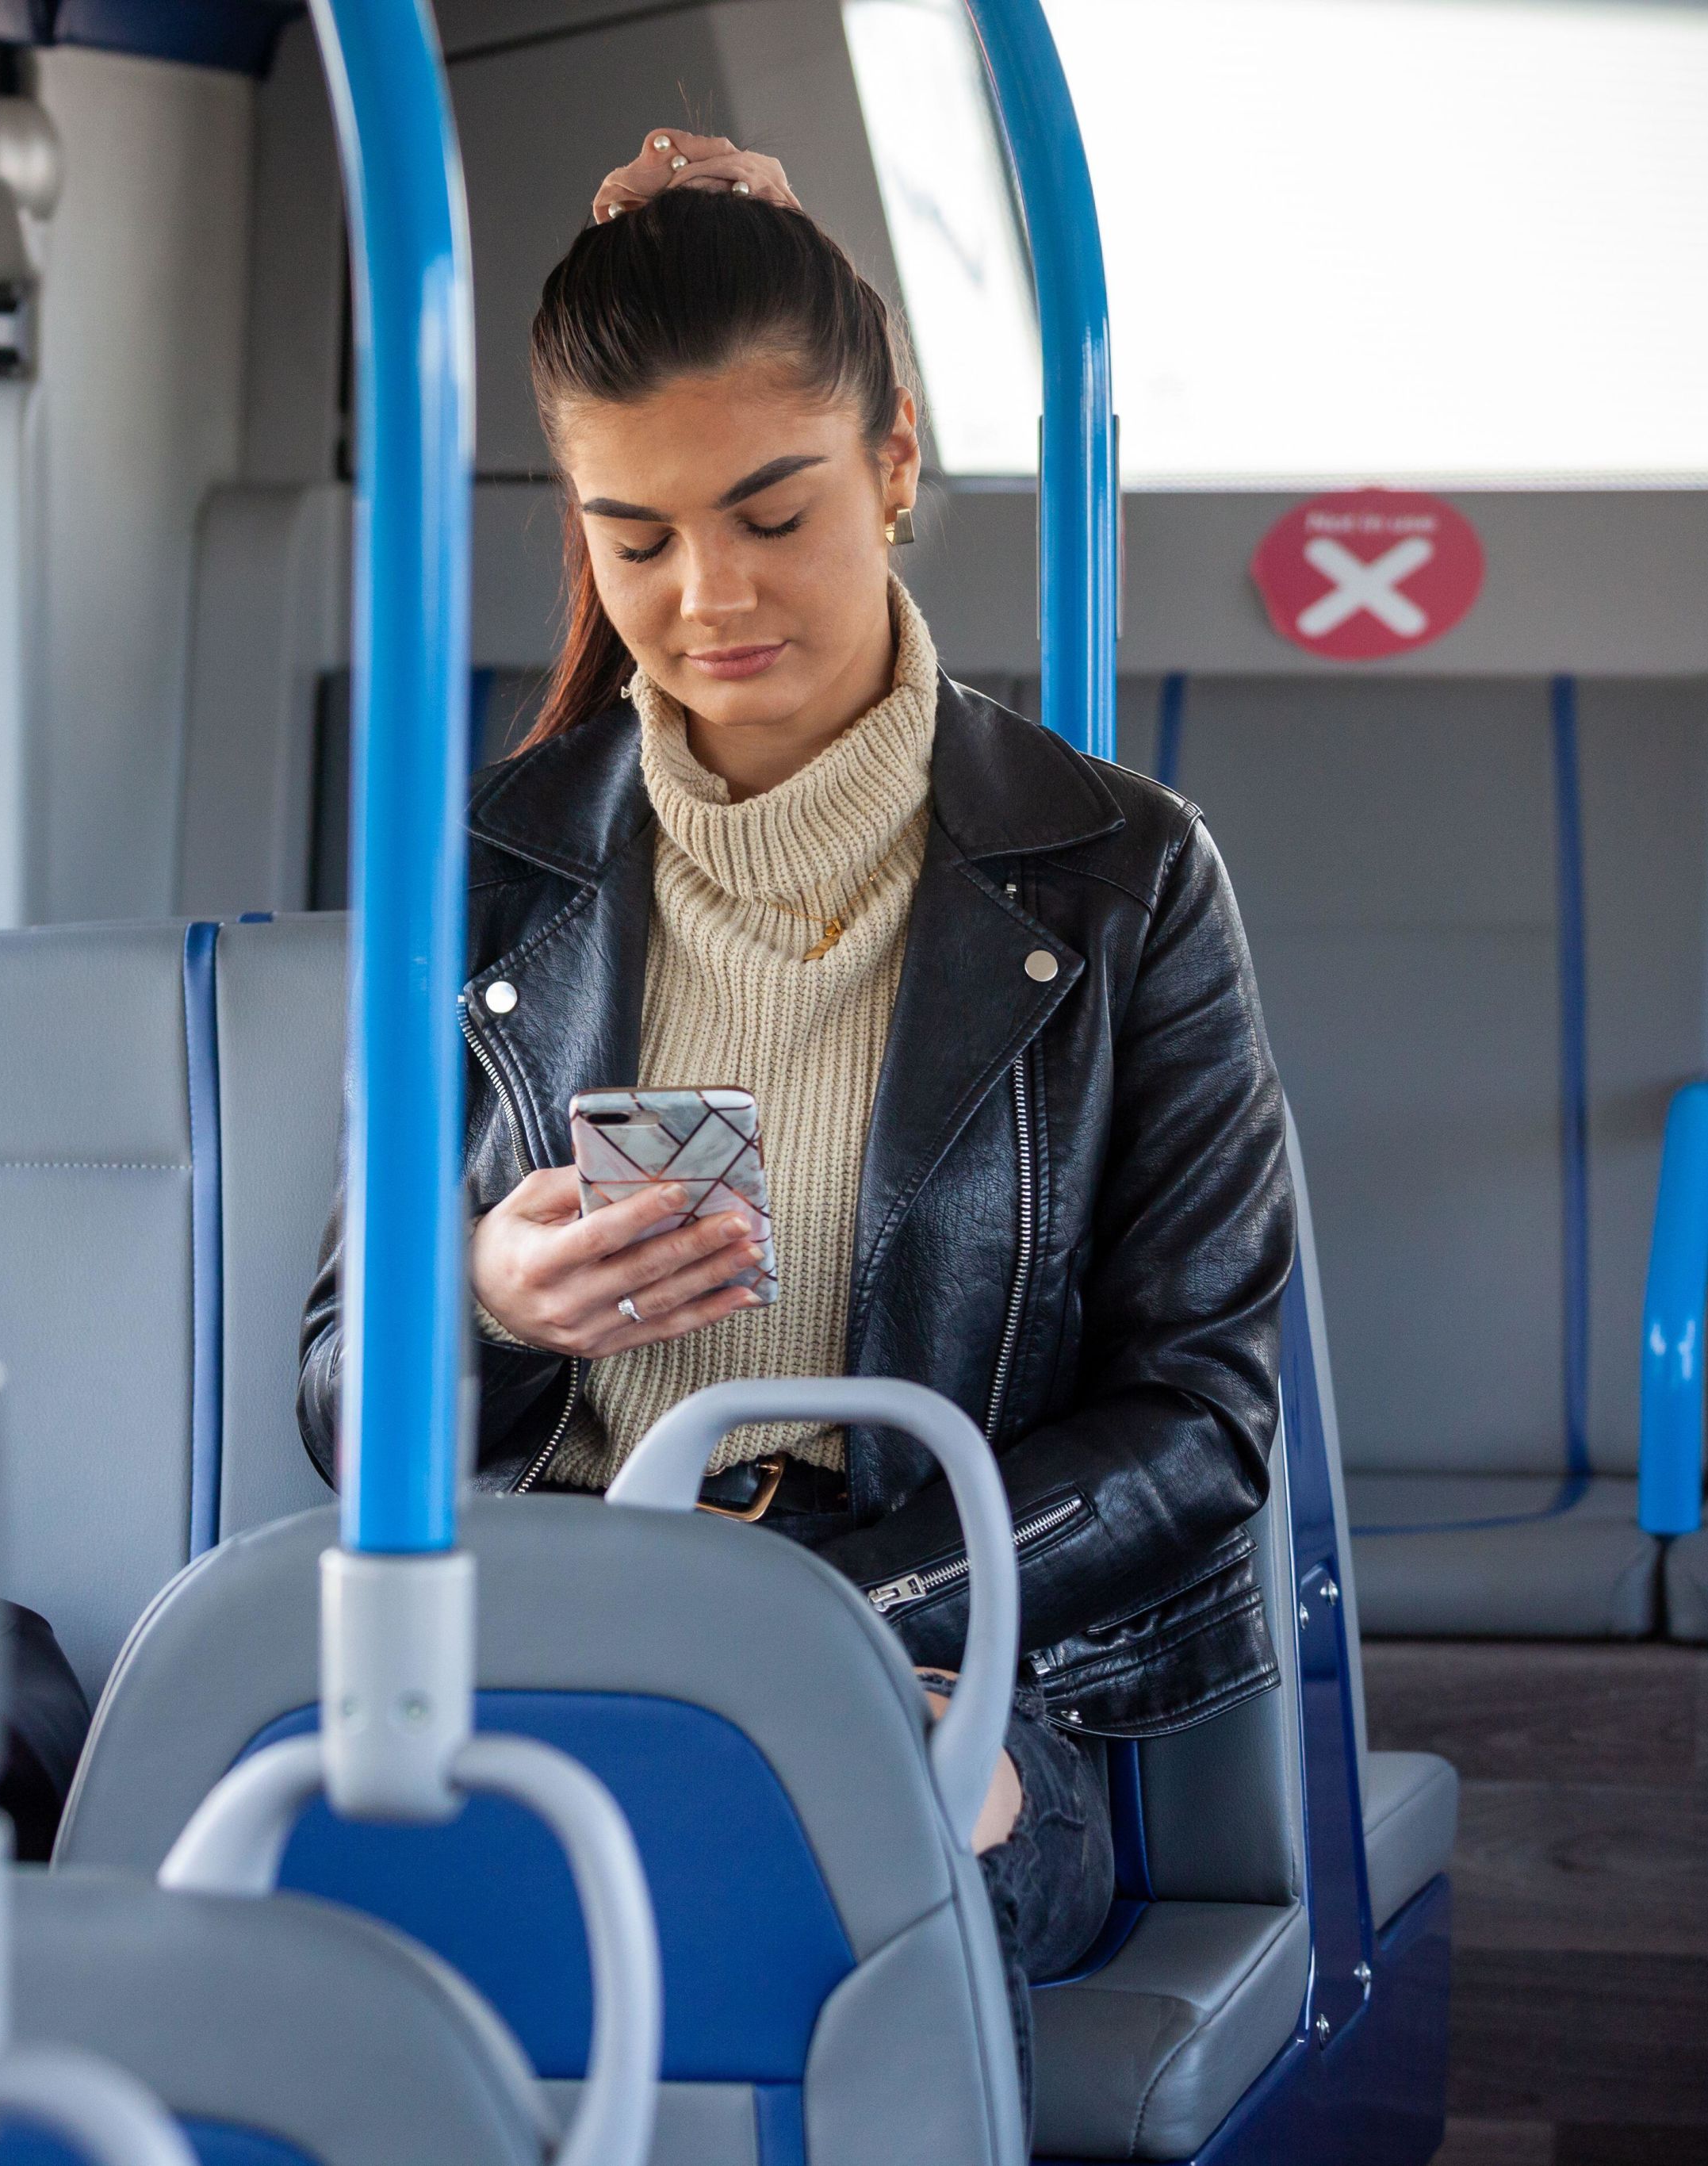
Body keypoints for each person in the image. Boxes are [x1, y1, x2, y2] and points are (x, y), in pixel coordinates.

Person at [296, 132, 1292, 2078]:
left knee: (768, 1859)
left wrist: (812, 1623)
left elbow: (1199, 1425)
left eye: (770, 514)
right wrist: (487, 1305)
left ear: (893, 462)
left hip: (947, 1650)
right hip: (547, 1615)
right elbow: (346, 1397)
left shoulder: (1121, 879)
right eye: (635, 537)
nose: (705, 598)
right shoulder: (480, 872)